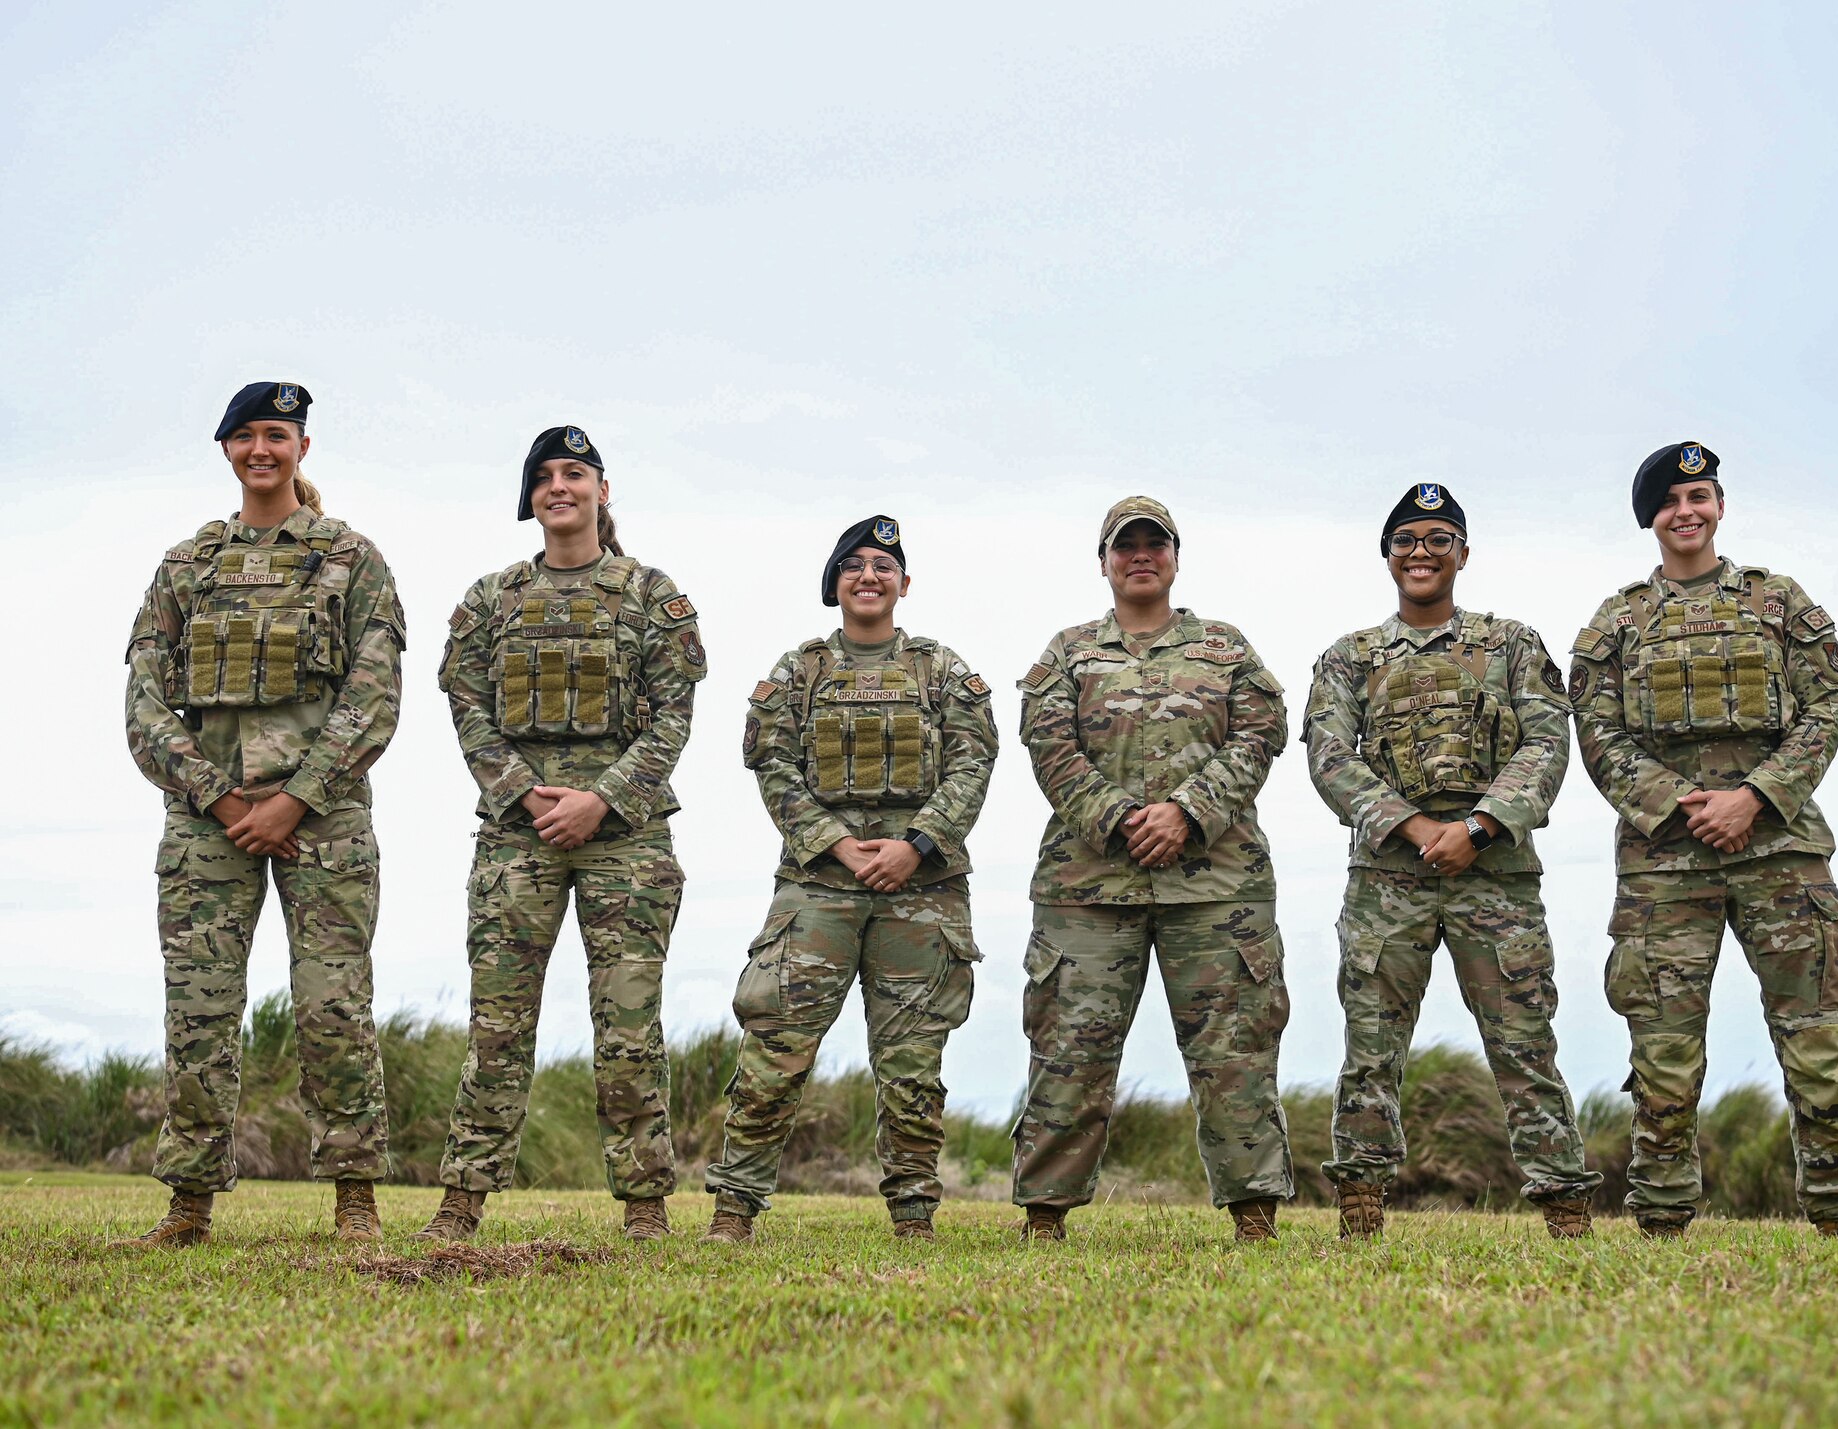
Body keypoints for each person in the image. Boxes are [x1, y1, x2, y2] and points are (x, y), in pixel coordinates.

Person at [120, 382, 404, 1248]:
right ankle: (191, 1201)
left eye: (275, 435)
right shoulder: (186, 566)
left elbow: (375, 695)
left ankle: (354, 1194)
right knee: (199, 1011)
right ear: (227, 452)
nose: (260, 451)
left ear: (302, 449)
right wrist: (222, 797)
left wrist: (294, 799)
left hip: (323, 819)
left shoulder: (352, 559)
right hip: (210, 822)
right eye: (245, 437)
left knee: (333, 1006)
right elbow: (143, 703)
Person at [1569, 442, 1838, 1238]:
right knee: (1663, 1058)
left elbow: (1827, 703)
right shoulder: (1617, 621)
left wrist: (1755, 798)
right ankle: (1662, 1221)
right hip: (1665, 862)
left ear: (1720, 505)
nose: (1686, 511)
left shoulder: (1779, 603)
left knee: (1819, 1049)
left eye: (1698, 494)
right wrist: (1678, 803)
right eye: (1669, 501)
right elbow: (1594, 730)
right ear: (1652, 520)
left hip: (1783, 853)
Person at [418, 425, 705, 1244]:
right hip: (518, 831)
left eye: (575, 473)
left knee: (627, 1024)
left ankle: (645, 1204)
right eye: (544, 477)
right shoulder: (491, 599)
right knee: (498, 1023)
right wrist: (521, 793)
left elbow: (674, 717)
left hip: (627, 836)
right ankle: (463, 1196)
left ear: (602, 491)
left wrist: (601, 800)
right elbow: (465, 705)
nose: (559, 487)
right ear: (530, 498)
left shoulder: (652, 595)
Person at [1302, 483, 1600, 1241]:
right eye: (1405, 540)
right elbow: (1331, 756)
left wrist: (1478, 825)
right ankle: (1362, 1203)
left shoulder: (1511, 645)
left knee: (1525, 1043)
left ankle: (1564, 1202)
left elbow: (1546, 742)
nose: (1421, 553)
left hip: (1493, 874)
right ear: (1387, 556)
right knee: (1370, 1045)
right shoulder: (1349, 657)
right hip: (1387, 880)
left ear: (1463, 553)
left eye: (1438, 539)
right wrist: (1410, 825)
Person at [701, 517, 997, 1245]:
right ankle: (733, 1210)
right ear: (834, 583)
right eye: (854, 565)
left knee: (912, 1066)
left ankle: (915, 1217)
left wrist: (915, 846)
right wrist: (835, 843)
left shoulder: (942, 669)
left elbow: (973, 763)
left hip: (921, 889)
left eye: (884, 565)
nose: (869, 576)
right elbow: (772, 766)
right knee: (775, 1048)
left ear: (904, 583)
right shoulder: (799, 671)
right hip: (820, 886)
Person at [1011, 497, 1293, 1243]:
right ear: (1103, 561)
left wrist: (1189, 812)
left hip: (1217, 887)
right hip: (1089, 886)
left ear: (1175, 556)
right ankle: (1045, 1215)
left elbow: (1262, 735)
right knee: (1070, 1045)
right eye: (1124, 545)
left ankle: (1254, 1213)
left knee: (1234, 1049)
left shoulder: (1226, 649)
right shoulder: (1069, 653)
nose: (1141, 555)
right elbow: (1048, 746)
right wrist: (1118, 817)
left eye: (1154, 544)